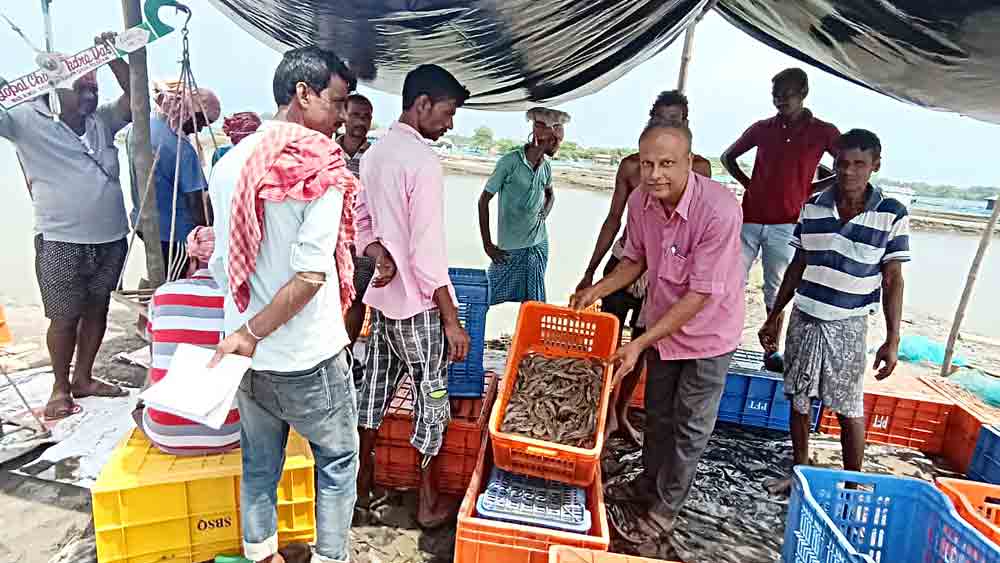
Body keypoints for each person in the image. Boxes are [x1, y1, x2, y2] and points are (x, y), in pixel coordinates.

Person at [207, 45, 360, 563]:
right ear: (303, 94)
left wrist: (244, 333)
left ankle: (261, 554)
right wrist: (254, 332)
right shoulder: (317, 166)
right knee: (338, 461)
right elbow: (311, 275)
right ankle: (331, 557)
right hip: (304, 356)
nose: (341, 119)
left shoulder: (230, 164)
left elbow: (223, 263)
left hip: (246, 357)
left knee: (258, 465)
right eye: (337, 103)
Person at [570, 119, 744, 555]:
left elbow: (701, 294)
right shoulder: (641, 203)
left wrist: (639, 342)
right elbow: (634, 262)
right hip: (664, 327)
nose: (655, 174)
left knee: (690, 426)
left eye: (667, 163)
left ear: (690, 162)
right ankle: (648, 482)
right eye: (647, 163)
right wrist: (595, 288)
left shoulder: (720, 210)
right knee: (659, 415)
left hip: (709, 334)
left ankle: (666, 509)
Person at [353, 64, 471, 528]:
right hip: (419, 309)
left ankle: (361, 486)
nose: (449, 123)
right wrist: (451, 318)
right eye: (447, 112)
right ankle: (427, 502)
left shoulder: (375, 153)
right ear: (422, 105)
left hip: (382, 304)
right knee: (432, 400)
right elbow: (426, 252)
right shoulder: (421, 161)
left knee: (372, 397)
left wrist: (378, 253)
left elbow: (361, 222)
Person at [759, 129, 908, 494]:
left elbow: (893, 279)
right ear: (834, 164)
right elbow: (797, 263)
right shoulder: (813, 206)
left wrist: (892, 340)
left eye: (859, 164)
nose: (849, 172)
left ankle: (853, 486)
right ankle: (799, 474)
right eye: (842, 163)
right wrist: (774, 314)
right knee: (798, 397)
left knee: (847, 405)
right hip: (805, 315)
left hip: (850, 322)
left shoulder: (891, 214)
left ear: (875, 165)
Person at [0, 33, 132, 420]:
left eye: (94, 87)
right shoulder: (24, 118)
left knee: (98, 309)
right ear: (54, 91)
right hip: (61, 239)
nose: (91, 96)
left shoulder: (102, 120)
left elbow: (136, 98)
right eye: (82, 89)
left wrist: (114, 57)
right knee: (64, 317)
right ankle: (60, 387)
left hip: (111, 236)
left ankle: (84, 379)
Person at [575, 90, 711, 445]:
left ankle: (620, 413)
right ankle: (600, 413)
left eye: (676, 120)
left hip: (667, 271)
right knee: (608, 337)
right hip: (628, 259)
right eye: (661, 119)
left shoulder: (700, 170)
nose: (668, 125)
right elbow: (613, 220)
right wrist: (592, 273)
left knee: (643, 345)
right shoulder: (632, 167)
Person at [721, 68, 840, 349]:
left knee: (776, 290)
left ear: (803, 94)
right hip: (749, 218)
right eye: (776, 95)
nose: (780, 100)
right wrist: (749, 184)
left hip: (787, 223)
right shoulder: (762, 128)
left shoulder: (823, 131)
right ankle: (723, 341)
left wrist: (810, 189)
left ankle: (771, 348)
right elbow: (728, 157)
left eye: (787, 95)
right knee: (730, 282)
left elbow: (845, 164)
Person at [136, 227, 240, 455]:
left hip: (164, 434)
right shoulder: (239, 297)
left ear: (191, 259)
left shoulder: (163, 294)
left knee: (142, 402)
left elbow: (156, 352)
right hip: (230, 433)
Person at [129, 81, 221, 281]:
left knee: (156, 280)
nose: (200, 131)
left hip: (144, 226)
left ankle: (147, 310)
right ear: (190, 111)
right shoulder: (182, 149)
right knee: (174, 284)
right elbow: (196, 203)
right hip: (175, 235)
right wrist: (208, 236)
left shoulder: (143, 128)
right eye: (202, 122)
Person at [478, 107, 569, 305]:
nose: (557, 145)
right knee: (485, 296)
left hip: (538, 245)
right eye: (555, 140)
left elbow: (551, 195)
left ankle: (526, 335)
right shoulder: (510, 162)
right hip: (510, 248)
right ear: (543, 138)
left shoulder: (546, 167)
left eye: (559, 141)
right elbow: (483, 200)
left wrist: (543, 213)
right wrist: (487, 245)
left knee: (533, 304)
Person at [335, 93, 376, 344]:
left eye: (367, 117)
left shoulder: (376, 156)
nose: (361, 122)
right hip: (330, 238)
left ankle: (347, 352)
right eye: (356, 115)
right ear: (343, 117)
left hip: (363, 241)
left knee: (357, 298)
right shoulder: (327, 152)